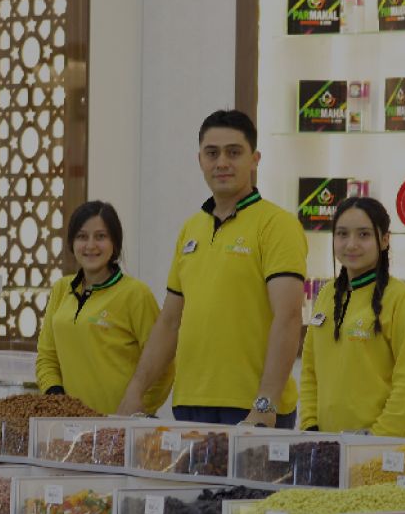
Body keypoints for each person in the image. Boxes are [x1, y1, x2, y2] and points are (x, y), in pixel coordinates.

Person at [117, 109, 307, 427]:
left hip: (253, 410)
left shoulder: (277, 225)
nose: (222, 163)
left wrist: (265, 402)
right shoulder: (191, 229)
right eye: (212, 153)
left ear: (255, 159)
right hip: (190, 405)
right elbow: (170, 322)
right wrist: (135, 389)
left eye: (234, 152)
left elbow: (287, 317)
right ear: (200, 160)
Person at [300, 196, 405, 437]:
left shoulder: (402, 299)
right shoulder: (326, 294)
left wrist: (377, 437)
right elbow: (310, 370)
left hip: (383, 446)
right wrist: (310, 427)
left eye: (363, 235)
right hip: (327, 446)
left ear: (384, 240)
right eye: (342, 234)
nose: (351, 244)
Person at [36, 200, 173, 415]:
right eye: (82, 236)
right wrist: (57, 401)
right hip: (69, 424)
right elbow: (47, 357)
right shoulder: (61, 289)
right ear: (72, 242)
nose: (90, 245)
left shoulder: (135, 294)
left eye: (100, 236)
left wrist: (136, 410)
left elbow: (163, 364)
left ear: (114, 243)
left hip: (119, 426)